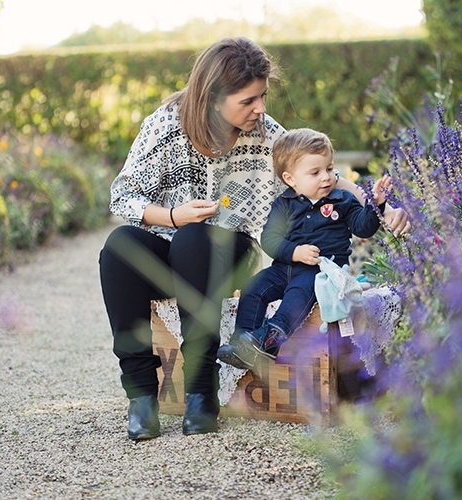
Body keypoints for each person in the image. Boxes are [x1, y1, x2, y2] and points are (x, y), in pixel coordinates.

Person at [99, 37, 411, 441]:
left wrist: (381, 207)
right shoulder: (164, 126)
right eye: (248, 100)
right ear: (212, 97)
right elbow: (123, 196)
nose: (260, 108)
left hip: (231, 252)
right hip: (172, 247)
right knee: (120, 247)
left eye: (262, 97)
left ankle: (200, 391)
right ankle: (140, 395)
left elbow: (323, 177)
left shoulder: (266, 135)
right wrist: (173, 216)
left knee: (194, 240)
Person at [217, 128, 389, 371]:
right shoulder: (284, 204)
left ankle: (268, 341)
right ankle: (242, 342)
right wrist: (294, 252)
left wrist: (376, 204)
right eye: (315, 172)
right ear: (291, 179)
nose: (326, 177)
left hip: (320, 271)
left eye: (329, 168)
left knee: (296, 296)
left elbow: (364, 227)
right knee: (253, 288)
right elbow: (270, 239)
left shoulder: (342, 200)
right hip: (284, 267)